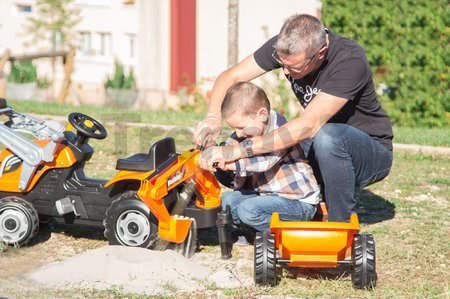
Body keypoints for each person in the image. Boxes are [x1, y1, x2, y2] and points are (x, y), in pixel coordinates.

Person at [194, 14, 393, 222]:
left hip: (369, 152)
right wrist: (212, 118)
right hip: (319, 146)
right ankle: (273, 204)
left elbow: (308, 126)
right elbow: (231, 77)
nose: (285, 71)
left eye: (294, 68)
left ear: (320, 53)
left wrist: (236, 151)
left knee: (327, 137)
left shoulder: (350, 60)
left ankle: (340, 225)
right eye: (282, 64)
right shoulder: (287, 46)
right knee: (272, 138)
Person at [218, 82, 321, 236]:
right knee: (227, 202)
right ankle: (257, 232)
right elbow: (233, 142)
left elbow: (264, 163)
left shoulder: (281, 131)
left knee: (248, 210)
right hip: (267, 196)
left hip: (297, 202)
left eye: (240, 128)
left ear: (262, 114)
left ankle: (290, 236)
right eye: (234, 129)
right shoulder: (251, 129)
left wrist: (232, 165)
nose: (238, 133)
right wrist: (219, 151)